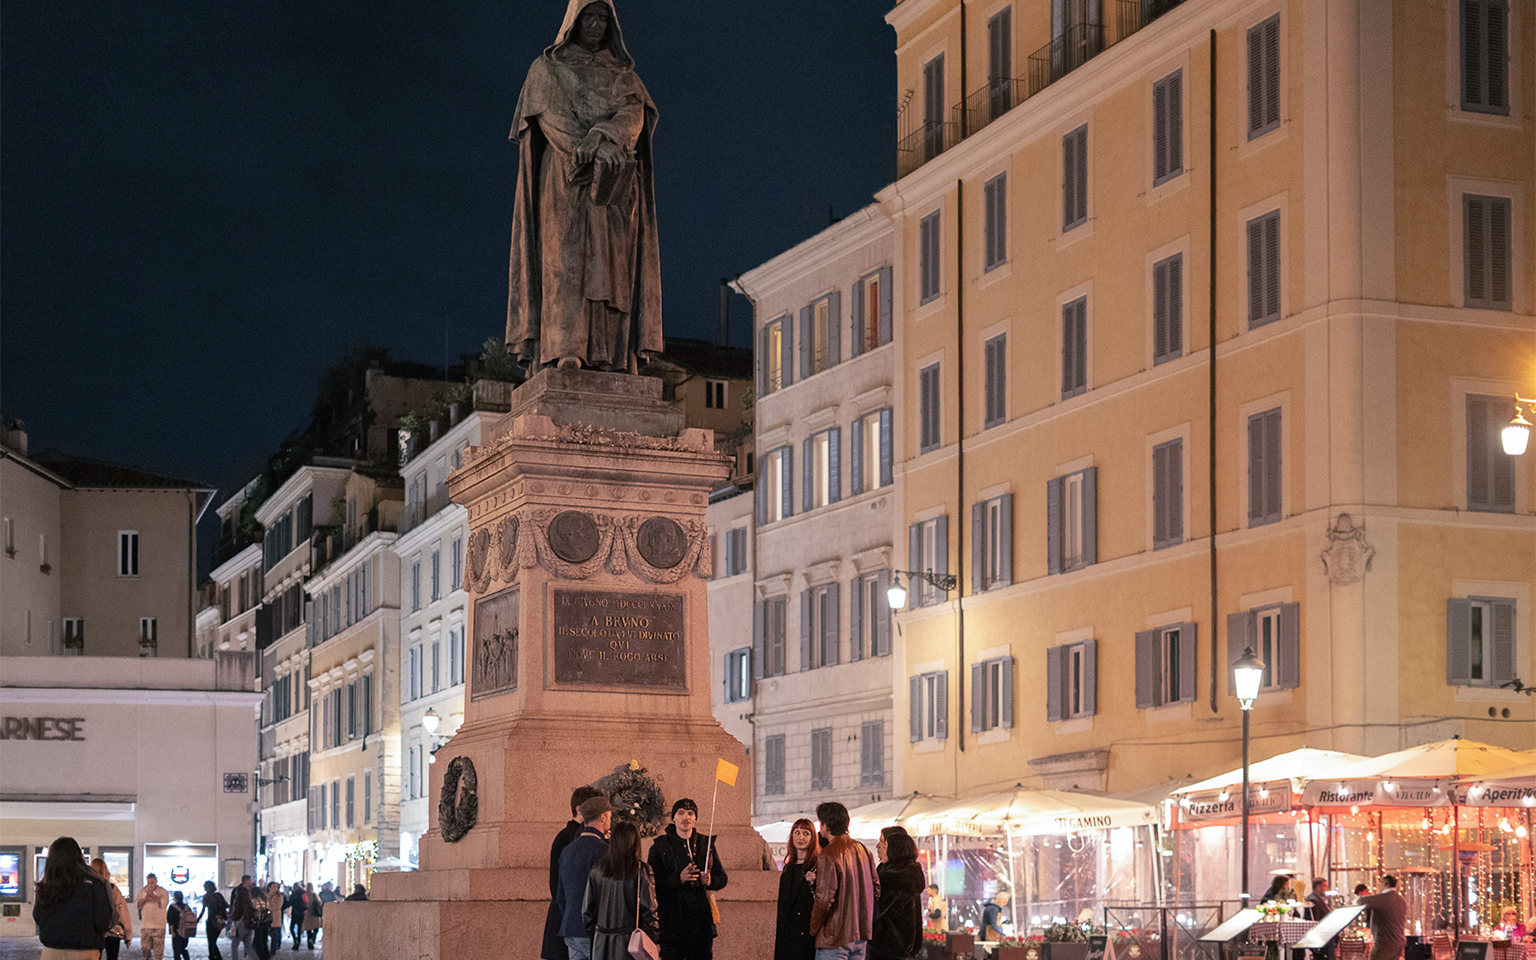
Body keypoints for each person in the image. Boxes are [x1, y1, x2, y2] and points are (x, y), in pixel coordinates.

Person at [505, 0, 664, 375]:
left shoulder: (625, 76)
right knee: (565, 264)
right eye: (588, 17)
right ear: (573, 21)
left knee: (613, 271)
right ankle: (566, 349)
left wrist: (606, 137)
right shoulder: (547, 70)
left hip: (615, 186)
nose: (595, 24)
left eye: (602, 18)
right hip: (565, 181)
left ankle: (610, 354)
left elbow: (634, 113)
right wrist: (585, 146)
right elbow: (551, 116)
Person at [648, 798, 728, 960]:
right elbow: (652, 884)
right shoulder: (660, 846)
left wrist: (711, 881)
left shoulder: (706, 844)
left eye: (691, 813)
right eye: (681, 813)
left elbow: (723, 878)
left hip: (700, 922)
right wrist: (678, 878)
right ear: (673, 818)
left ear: (695, 819)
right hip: (672, 922)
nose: (686, 817)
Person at [808, 801, 878, 960]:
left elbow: (825, 898)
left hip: (834, 936)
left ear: (825, 825)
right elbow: (876, 889)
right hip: (860, 934)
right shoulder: (864, 850)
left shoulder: (829, 853)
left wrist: (814, 928)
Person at [545, 785, 608, 960]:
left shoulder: (574, 840)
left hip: (570, 924)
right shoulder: (571, 838)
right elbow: (559, 886)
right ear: (579, 809)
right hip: (581, 924)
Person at [582, 820, 660, 960]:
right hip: (630, 945)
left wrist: (597, 936)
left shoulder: (597, 870)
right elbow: (649, 910)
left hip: (601, 943)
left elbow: (587, 911)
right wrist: (652, 940)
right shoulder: (641, 870)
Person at [33, 836, 113, 960]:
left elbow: (37, 916)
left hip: (51, 951)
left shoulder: (46, 884)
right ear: (79, 856)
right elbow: (103, 922)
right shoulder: (95, 883)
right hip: (84, 951)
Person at [558, 793, 614, 960]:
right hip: (593, 930)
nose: (610, 821)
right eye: (610, 817)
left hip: (570, 929)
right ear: (603, 817)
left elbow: (561, 896)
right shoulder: (603, 850)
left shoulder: (567, 850)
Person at [870, 826, 924, 960]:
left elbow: (874, 910)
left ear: (895, 846)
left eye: (883, 842)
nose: (878, 846)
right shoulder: (909, 872)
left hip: (888, 947)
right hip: (903, 946)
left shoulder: (894, 877)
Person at [774, 819, 820, 960]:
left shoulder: (818, 865)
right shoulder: (789, 868)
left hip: (807, 934)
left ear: (812, 838)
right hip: (787, 934)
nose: (801, 837)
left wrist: (814, 882)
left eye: (806, 833)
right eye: (797, 832)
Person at [92, 858, 134, 960]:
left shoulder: (88, 887)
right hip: (113, 931)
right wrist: (128, 935)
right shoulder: (112, 889)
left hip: (94, 932)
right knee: (112, 957)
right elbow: (122, 912)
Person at [1357, 876, 1407, 960]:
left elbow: (1358, 902)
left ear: (1385, 884)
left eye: (1380, 883)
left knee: (1374, 957)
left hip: (1385, 943)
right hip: (1399, 942)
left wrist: (1365, 896)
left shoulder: (1382, 898)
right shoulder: (1401, 900)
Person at [135, 873, 169, 960]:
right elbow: (137, 904)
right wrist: (145, 899)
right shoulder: (142, 892)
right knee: (145, 949)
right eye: (149, 883)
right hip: (146, 926)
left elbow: (163, 903)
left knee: (158, 952)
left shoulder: (163, 892)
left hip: (159, 926)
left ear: (156, 881)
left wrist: (154, 896)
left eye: (152, 883)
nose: (150, 885)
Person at [228, 876, 258, 960]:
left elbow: (236, 909)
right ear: (246, 881)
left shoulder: (239, 897)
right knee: (248, 946)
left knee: (234, 945)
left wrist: (233, 918)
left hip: (241, 922)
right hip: (248, 922)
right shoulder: (249, 895)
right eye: (250, 880)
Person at [198, 880, 228, 960]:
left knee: (211, 941)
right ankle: (216, 956)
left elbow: (203, 910)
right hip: (219, 920)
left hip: (211, 920)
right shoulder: (218, 895)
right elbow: (226, 905)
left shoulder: (206, 897)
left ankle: (214, 956)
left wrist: (197, 919)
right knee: (213, 940)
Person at [1306, 878, 1335, 960]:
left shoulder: (1318, 899)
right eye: (1325, 886)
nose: (1327, 889)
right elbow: (1316, 919)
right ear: (1318, 887)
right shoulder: (1313, 900)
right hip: (1322, 937)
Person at [167, 891, 196, 960]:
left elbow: (170, 920)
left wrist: (172, 931)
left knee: (176, 950)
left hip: (176, 931)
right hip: (186, 930)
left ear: (175, 898)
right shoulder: (186, 906)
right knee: (183, 948)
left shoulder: (172, 907)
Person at [263, 883, 285, 955]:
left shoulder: (280, 896)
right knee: (265, 936)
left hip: (276, 919)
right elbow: (264, 905)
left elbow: (277, 906)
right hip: (267, 919)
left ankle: (273, 952)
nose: (275, 888)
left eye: (276, 887)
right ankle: (266, 952)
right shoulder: (265, 896)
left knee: (274, 936)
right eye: (274, 886)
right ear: (269, 888)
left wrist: (269, 907)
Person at [300, 884, 321, 949]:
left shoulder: (304, 895)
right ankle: (312, 939)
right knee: (316, 929)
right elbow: (319, 902)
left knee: (308, 930)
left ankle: (309, 944)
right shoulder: (314, 895)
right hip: (314, 914)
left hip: (307, 914)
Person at [287, 884, 307, 950]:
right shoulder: (303, 893)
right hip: (302, 912)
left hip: (295, 913)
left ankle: (295, 940)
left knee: (291, 928)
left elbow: (290, 902)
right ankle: (298, 941)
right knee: (299, 928)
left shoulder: (294, 894)